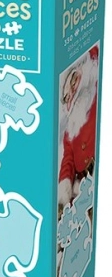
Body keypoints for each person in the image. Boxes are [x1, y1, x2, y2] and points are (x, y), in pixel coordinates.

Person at [58, 45, 99, 208]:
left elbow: (95, 52)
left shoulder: (96, 88)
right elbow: (68, 158)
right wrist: (65, 186)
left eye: (73, 80)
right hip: (84, 187)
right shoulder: (72, 127)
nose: (72, 92)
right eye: (66, 96)